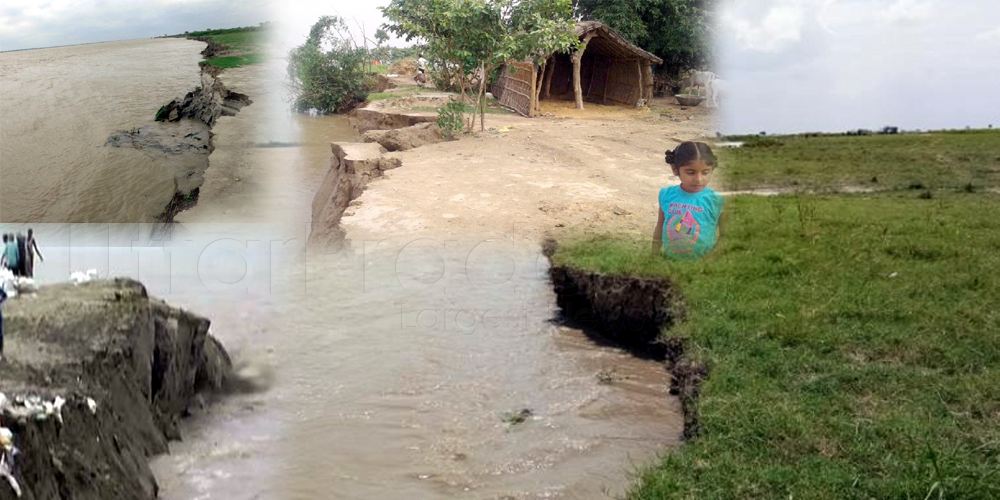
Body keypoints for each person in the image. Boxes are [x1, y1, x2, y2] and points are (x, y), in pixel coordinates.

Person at [652, 141, 725, 261]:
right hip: (669, 261)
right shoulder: (666, 195)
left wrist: (707, 262)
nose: (699, 179)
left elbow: (726, 236)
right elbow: (660, 224)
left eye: (705, 172)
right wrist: (654, 255)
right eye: (690, 172)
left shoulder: (717, 201)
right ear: (675, 169)